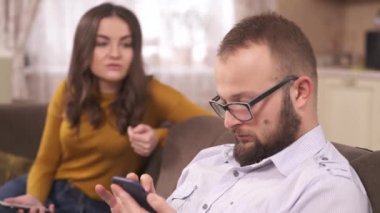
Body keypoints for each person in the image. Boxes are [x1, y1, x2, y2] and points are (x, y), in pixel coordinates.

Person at [95, 12, 373, 212]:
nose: (228, 121)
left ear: (299, 92)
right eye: (225, 104)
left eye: (243, 104)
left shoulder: (328, 192)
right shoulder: (210, 160)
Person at [0, 2, 210, 213]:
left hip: (102, 202)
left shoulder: (153, 93)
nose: (115, 53)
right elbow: (46, 160)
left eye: (126, 44)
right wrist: (35, 198)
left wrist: (159, 137)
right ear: (85, 48)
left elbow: (212, 126)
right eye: (102, 43)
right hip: (54, 188)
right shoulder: (68, 90)